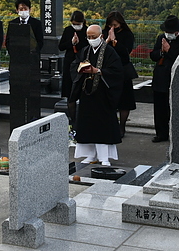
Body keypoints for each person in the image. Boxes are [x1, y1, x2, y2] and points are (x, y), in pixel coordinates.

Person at [68, 24, 124, 166]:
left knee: (102, 127)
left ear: (101, 36)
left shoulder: (109, 52)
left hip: (103, 95)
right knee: (87, 126)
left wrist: (97, 71)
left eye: (94, 37)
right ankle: (90, 155)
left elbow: (117, 71)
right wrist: (81, 69)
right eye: (88, 37)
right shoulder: (85, 50)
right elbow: (74, 65)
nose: (91, 39)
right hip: (87, 94)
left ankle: (104, 157)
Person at [149, 15, 179, 143]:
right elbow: (153, 55)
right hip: (160, 77)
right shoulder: (161, 38)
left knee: (173, 108)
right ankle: (161, 133)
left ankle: (176, 134)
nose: (168, 34)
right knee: (160, 108)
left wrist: (169, 50)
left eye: (171, 32)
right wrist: (161, 52)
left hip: (175, 78)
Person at [103, 11, 136, 137]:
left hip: (122, 69)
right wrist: (107, 40)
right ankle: (110, 125)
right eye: (110, 25)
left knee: (124, 100)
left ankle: (122, 127)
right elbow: (101, 49)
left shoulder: (127, 34)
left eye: (115, 25)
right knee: (108, 99)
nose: (113, 28)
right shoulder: (105, 32)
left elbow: (126, 52)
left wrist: (115, 41)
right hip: (108, 69)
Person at [58, 11, 88, 98]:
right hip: (70, 60)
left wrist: (78, 43)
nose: (76, 26)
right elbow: (61, 47)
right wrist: (71, 43)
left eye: (78, 24)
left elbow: (88, 46)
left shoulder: (86, 30)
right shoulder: (68, 30)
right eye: (74, 24)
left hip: (83, 61)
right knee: (69, 87)